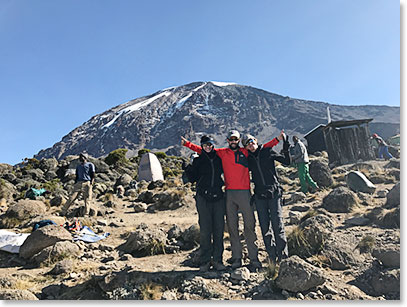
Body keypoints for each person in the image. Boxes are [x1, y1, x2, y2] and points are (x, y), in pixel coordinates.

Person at [181, 130, 282, 271]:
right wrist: (188, 144)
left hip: (245, 193)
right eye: (231, 140)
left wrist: (277, 140)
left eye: (235, 139)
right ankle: (237, 258)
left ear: (239, 140)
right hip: (229, 194)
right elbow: (205, 149)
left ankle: (254, 258)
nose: (233, 142)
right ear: (228, 141)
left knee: (250, 226)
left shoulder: (245, 152)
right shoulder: (222, 153)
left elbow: (263, 147)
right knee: (232, 228)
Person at [242, 133, 290, 264]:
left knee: (277, 224)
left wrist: (285, 145)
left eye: (251, 141)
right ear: (245, 147)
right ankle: (272, 257)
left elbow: (287, 161)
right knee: (265, 227)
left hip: (274, 193)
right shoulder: (248, 159)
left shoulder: (267, 151)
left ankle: (283, 257)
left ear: (256, 141)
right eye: (247, 143)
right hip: (259, 196)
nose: (250, 144)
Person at [184, 135, 226, 272]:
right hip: (203, 197)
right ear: (202, 146)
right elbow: (192, 178)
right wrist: (188, 168)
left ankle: (218, 260)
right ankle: (205, 261)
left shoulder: (219, 158)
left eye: (210, 144)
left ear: (213, 145)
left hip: (218, 197)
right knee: (205, 230)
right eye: (205, 145)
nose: (208, 147)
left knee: (219, 229)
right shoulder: (198, 160)